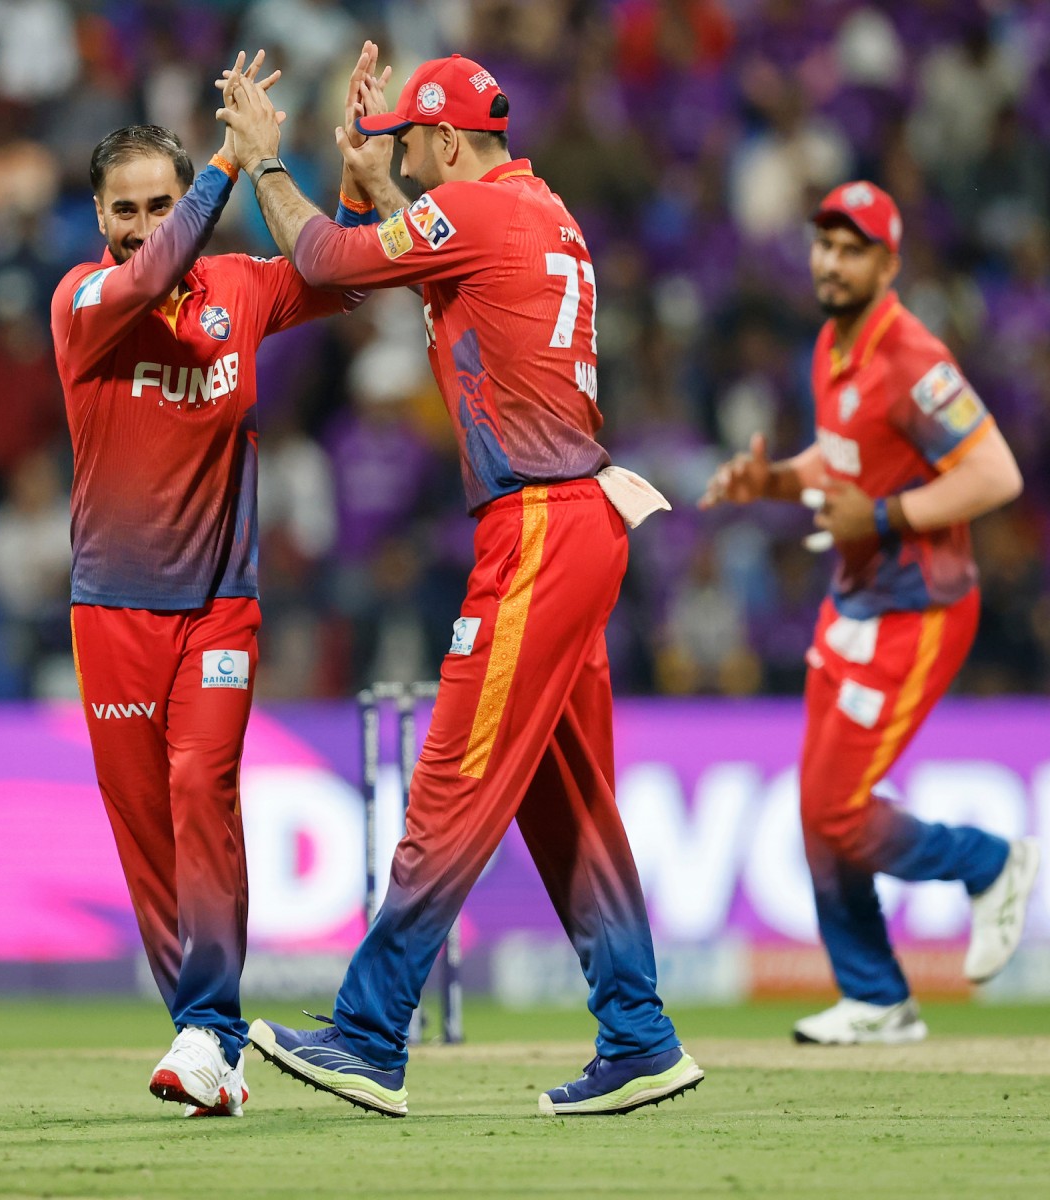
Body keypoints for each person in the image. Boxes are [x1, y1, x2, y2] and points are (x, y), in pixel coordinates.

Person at [218, 50, 702, 1117]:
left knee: (451, 779)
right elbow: (438, 260)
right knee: (564, 799)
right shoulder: (533, 211)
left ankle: (369, 1032)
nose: (404, 155)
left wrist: (266, 165)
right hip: (575, 518)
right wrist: (375, 176)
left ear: (442, 140)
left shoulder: (481, 215)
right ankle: (638, 1034)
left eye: (408, 140)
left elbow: (329, 258)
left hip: (535, 524)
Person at [51, 49, 368, 1117]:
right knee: (143, 825)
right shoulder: (86, 300)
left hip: (220, 607)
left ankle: (208, 1028)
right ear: (100, 219)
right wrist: (225, 166)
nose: (142, 227)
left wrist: (359, 178)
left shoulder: (236, 289)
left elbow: (340, 274)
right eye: (124, 208)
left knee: (200, 790)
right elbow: (145, 279)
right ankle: (208, 1042)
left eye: (156, 203)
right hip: (111, 609)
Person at [700, 181, 1039, 1044]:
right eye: (824, 244)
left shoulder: (913, 360)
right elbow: (842, 458)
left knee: (840, 810)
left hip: (919, 608)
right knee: (820, 810)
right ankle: (877, 997)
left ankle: (990, 864)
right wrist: (774, 481)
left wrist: (884, 518)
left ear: (889, 263)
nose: (832, 261)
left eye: (853, 250)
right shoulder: (831, 344)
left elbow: (996, 474)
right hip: (854, 599)